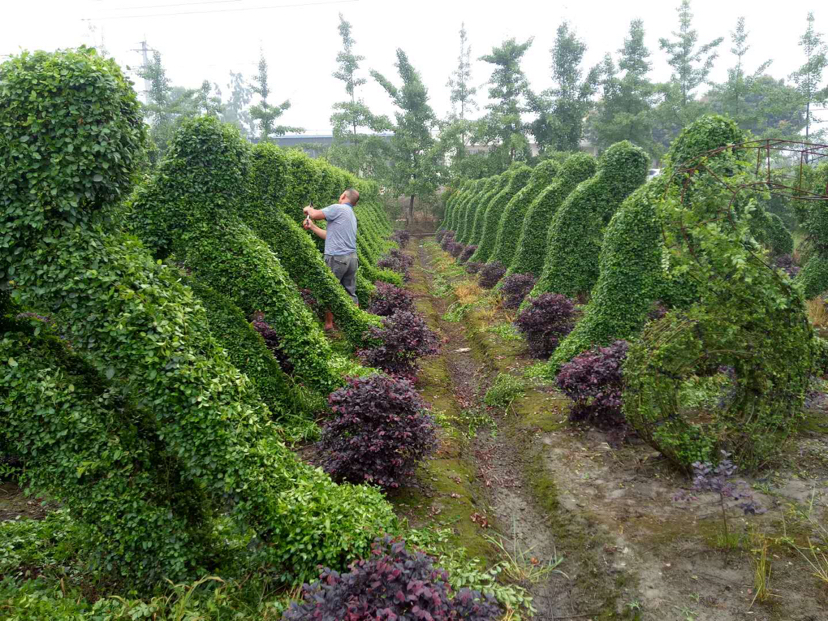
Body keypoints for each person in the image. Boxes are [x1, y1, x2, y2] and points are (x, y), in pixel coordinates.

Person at [303, 188, 360, 331]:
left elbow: (314, 214)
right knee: (350, 293)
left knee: (329, 290)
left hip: (337, 258)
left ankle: (329, 325)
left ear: (343, 196)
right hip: (351, 258)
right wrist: (313, 227)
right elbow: (331, 236)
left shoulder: (338, 208)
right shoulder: (351, 215)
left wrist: (308, 209)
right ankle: (358, 323)